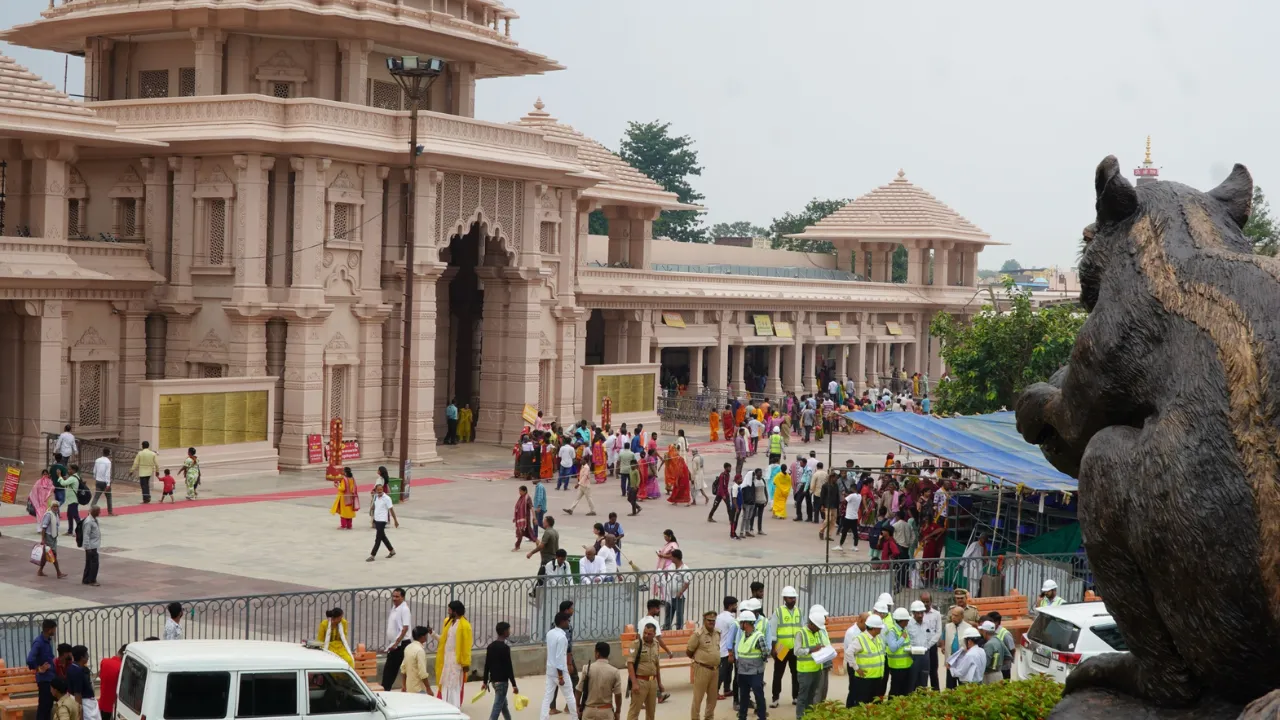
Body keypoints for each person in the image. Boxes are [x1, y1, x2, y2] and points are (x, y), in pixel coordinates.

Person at [793, 607, 832, 720]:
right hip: (805, 671)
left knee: (811, 696)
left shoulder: (818, 632)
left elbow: (819, 646)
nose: (819, 629)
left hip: (817, 669)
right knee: (803, 696)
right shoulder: (801, 633)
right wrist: (811, 650)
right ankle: (800, 717)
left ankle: (809, 716)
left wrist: (824, 650)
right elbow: (797, 651)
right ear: (811, 623)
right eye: (818, 627)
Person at [767, 586, 802, 708]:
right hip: (782, 647)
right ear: (784, 598)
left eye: (794, 598)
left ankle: (796, 697)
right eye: (790, 598)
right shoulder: (778, 612)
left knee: (796, 673)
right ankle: (775, 698)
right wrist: (773, 648)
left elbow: (802, 629)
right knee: (778, 673)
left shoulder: (799, 611)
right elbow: (772, 631)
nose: (793, 600)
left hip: (795, 648)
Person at [730, 610, 767, 720]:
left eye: (741, 622)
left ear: (745, 623)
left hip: (755, 673)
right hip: (742, 672)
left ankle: (762, 717)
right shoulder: (743, 636)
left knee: (758, 695)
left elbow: (765, 653)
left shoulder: (758, 637)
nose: (740, 624)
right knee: (744, 697)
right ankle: (742, 717)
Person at [435, 600, 472, 707]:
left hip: (456, 661)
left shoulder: (465, 626)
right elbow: (443, 639)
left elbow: (466, 646)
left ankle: (454, 709)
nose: (448, 611)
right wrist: (432, 634)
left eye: (450, 610)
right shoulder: (449, 622)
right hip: (447, 659)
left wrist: (465, 664)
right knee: (445, 684)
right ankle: (445, 707)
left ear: (455, 611)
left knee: (454, 686)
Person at [543, 612, 579, 720]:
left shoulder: (550, 633)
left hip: (550, 670)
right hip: (560, 672)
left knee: (547, 697)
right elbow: (559, 658)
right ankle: (575, 718)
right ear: (562, 622)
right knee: (570, 697)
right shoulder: (562, 638)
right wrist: (561, 677)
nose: (569, 623)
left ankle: (543, 717)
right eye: (567, 621)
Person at [687, 611, 721, 720]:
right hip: (702, 669)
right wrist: (699, 659)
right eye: (709, 621)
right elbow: (689, 651)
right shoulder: (698, 634)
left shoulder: (717, 633)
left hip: (715, 670)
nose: (711, 623)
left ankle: (709, 717)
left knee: (712, 698)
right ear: (704, 621)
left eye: (713, 621)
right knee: (698, 698)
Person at [847, 614, 885, 707]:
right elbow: (849, 653)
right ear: (874, 628)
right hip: (864, 680)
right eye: (880, 627)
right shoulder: (860, 639)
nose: (881, 629)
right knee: (862, 705)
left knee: (874, 705)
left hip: (877, 678)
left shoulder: (878, 638)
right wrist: (856, 668)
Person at [483, 622, 518, 720]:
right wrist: (514, 685)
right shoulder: (505, 648)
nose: (509, 632)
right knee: (497, 707)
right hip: (502, 682)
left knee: (503, 705)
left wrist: (485, 682)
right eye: (508, 630)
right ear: (504, 632)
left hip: (494, 681)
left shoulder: (490, 646)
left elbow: (487, 665)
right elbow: (508, 667)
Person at [578, 642, 622, 720]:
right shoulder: (614, 671)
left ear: (597, 653)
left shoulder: (587, 669)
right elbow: (618, 695)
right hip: (606, 712)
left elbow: (578, 690)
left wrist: (578, 707)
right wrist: (618, 711)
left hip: (589, 711)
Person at [382, 588, 412, 690]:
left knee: (391, 669)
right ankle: (386, 689)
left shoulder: (404, 609)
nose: (394, 599)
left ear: (402, 597)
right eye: (393, 596)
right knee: (389, 670)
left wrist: (396, 642)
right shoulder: (395, 608)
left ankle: (386, 689)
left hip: (401, 644)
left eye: (397, 597)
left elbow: (405, 628)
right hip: (394, 643)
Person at [28, 619, 57, 720]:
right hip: (44, 680)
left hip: (50, 679)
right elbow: (30, 659)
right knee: (44, 707)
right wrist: (38, 668)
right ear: (49, 630)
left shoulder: (47, 641)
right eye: (54, 629)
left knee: (48, 706)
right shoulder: (39, 642)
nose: (55, 631)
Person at [941, 606, 973, 689]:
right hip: (950, 662)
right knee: (950, 687)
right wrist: (943, 646)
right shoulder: (948, 626)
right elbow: (944, 638)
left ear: (962, 616)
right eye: (952, 615)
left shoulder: (968, 628)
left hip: (962, 662)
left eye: (956, 615)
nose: (953, 617)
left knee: (963, 686)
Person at [884, 608, 913, 697]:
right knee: (895, 691)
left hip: (906, 665)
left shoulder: (903, 630)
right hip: (897, 666)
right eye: (906, 620)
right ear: (901, 621)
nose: (908, 621)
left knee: (904, 691)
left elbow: (906, 645)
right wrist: (902, 638)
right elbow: (893, 648)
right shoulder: (892, 631)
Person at [716, 597, 739, 702]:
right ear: (730, 606)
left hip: (720, 647)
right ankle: (715, 692)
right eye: (735, 605)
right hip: (726, 649)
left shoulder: (719, 617)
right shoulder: (731, 620)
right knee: (723, 671)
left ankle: (727, 689)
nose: (736, 607)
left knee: (728, 670)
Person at [367, 483, 398, 562]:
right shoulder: (376, 497)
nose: (380, 491)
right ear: (376, 490)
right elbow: (375, 507)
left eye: (381, 489)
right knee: (382, 536)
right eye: (378, 490)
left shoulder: (387, 498)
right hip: (377, 519)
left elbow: (391, 510)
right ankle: (392, 550)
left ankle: (372, 555)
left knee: (378, 538)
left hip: (382, 520)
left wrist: (395, 520)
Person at [661, 550, 690, 630]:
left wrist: (680, 593)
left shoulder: (685, 569)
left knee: (679, 615)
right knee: (668, 614)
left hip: (679, 597)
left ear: (676, 558)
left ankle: (679, 629)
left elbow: (687, 583)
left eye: (672, 557)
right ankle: (666, 628)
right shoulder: (671, 566)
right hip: (669, 596)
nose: (671, 558)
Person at [400, 626, 433, 695]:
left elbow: (403, 668)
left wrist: (403, 685)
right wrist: (428, 689)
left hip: (409, 688)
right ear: (422, 637)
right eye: (426, 635)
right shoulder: (420, 651)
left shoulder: (408, 648)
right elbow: (423, 673)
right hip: (419, 690)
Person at [37, 500, 65, 579]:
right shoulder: (49, 515)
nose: (56, 508)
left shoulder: (55, 515)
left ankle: (40, 570)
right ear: (51, 507)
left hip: (54, 537)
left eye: (57, 506)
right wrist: (43, 539)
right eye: (54, 506)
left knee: (46, 556)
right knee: (53, 554)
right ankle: (58, 573)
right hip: (48, 537)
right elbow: (44, 528)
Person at [920, 593, 943, 690]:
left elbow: (938, 632)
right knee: (922, 673)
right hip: (920, 647)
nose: (925, 604)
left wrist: (929, 644)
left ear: (931, 601)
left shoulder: (936, 614)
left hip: (932, 647)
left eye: (927, 601)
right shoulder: (917, 614)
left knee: (933, 672)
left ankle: (936, 694)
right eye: (923, 601)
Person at [987, 611, 1015, 680]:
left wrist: (1007, 661)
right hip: (995, 668)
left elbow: (1012, 649)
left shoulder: (1005, 634)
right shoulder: (990, 632)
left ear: (996, 622)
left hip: (1004, 668)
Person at [98, 645, 123, 720]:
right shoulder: (121, 666)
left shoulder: (104, 661)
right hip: (115, 699)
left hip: (103, 701)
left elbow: (100, 675)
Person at [961, 532, 987, 597]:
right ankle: (971, 599)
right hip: (973, 567)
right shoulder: (974, 544)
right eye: (983, 538)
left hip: (978, 567)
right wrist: (961, 563)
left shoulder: (984, 547)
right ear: (980, 538)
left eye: (985, 539)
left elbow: (985, 558)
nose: (984, 540)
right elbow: (967, 554)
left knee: (976, 586)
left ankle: (972, 598)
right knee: (973, 585)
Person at [89, 448, 113, 516]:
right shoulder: (108, 462)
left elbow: (94, 471)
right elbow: (107, 474)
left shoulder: (97, 460)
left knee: (96, 497)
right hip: (105, 482)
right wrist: (108, 484)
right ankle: (110, 512)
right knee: (109, 497)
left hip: (98, 481)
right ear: (109, 454)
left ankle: (91, 510)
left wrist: (96, 478)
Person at [81, 506, 101, 586]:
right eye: (98, 511)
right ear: (94, 512)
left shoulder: (94, 520)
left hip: (93, 545)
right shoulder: (89, 521)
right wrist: (87, 547)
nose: (99, 513)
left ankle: (86, 579)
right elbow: (86, 535)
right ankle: (92, 580)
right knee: (94, 564)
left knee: (89, 563)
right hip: (91, 546)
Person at [513, 486, 536, 550]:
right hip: (520, 520)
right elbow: (518, 508)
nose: (519, 492)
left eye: (521, 491)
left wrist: (534, 517)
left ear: (525, 491)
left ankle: (517, 546)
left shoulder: (527, 498)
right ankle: (537, 541)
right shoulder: (521, 498)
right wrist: (515, 517)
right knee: (526, 533)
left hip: (525, 520)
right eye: (519, 491)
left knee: (522, 532)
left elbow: (532, 508)